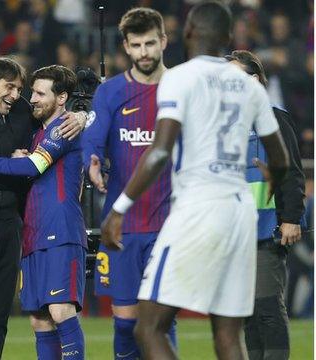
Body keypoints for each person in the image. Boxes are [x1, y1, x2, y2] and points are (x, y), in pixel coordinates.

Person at [100, 2, 289, 359]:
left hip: (197, 207)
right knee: (229, 336)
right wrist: (273, 178)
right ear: (229, 37)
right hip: (240, 213)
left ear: (187, 33)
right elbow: (279, 157)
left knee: (149, 326)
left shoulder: (180, 78)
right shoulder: (249, 86)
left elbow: (158, 152)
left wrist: (119, 207)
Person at [0, 56, 86, 360]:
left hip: (23, 228)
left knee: (10, 315)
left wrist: (84, 116)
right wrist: (13, 164)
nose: (21, 97)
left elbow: (37, 158)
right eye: (11, 88)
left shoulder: (39, 118)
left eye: (24, 90)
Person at [81, 8, 176, 359]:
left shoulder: (181, 87)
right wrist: (91, 161)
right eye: (136, 45)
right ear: (125, 46)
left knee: (161, 321)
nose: (144, 52)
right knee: (125, 322)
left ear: (163, 40)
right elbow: (92, 139)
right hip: (123, 225)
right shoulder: (111, 93)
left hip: (170, 223)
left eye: (150, 43)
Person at [226, 49, 306, 360]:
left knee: (269, 306)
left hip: (267, 228)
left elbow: (292, 173)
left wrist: (291, 218)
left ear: (257, 80)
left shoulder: (273, 118)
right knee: (247, 311)